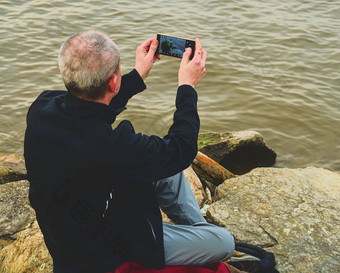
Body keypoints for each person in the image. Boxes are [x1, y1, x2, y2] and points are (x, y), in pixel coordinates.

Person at [24, 30, 235, 273]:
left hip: (72, 221)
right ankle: (201, 236)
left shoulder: (42, 108)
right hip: (104, 250)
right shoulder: (113, 149)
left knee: (167, 170)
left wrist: (137, 75)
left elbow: (90, 109)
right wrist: (187, 86)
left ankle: (196, 234)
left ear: (62, 72)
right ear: (113, 82)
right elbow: (182, 149)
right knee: (224, 242)